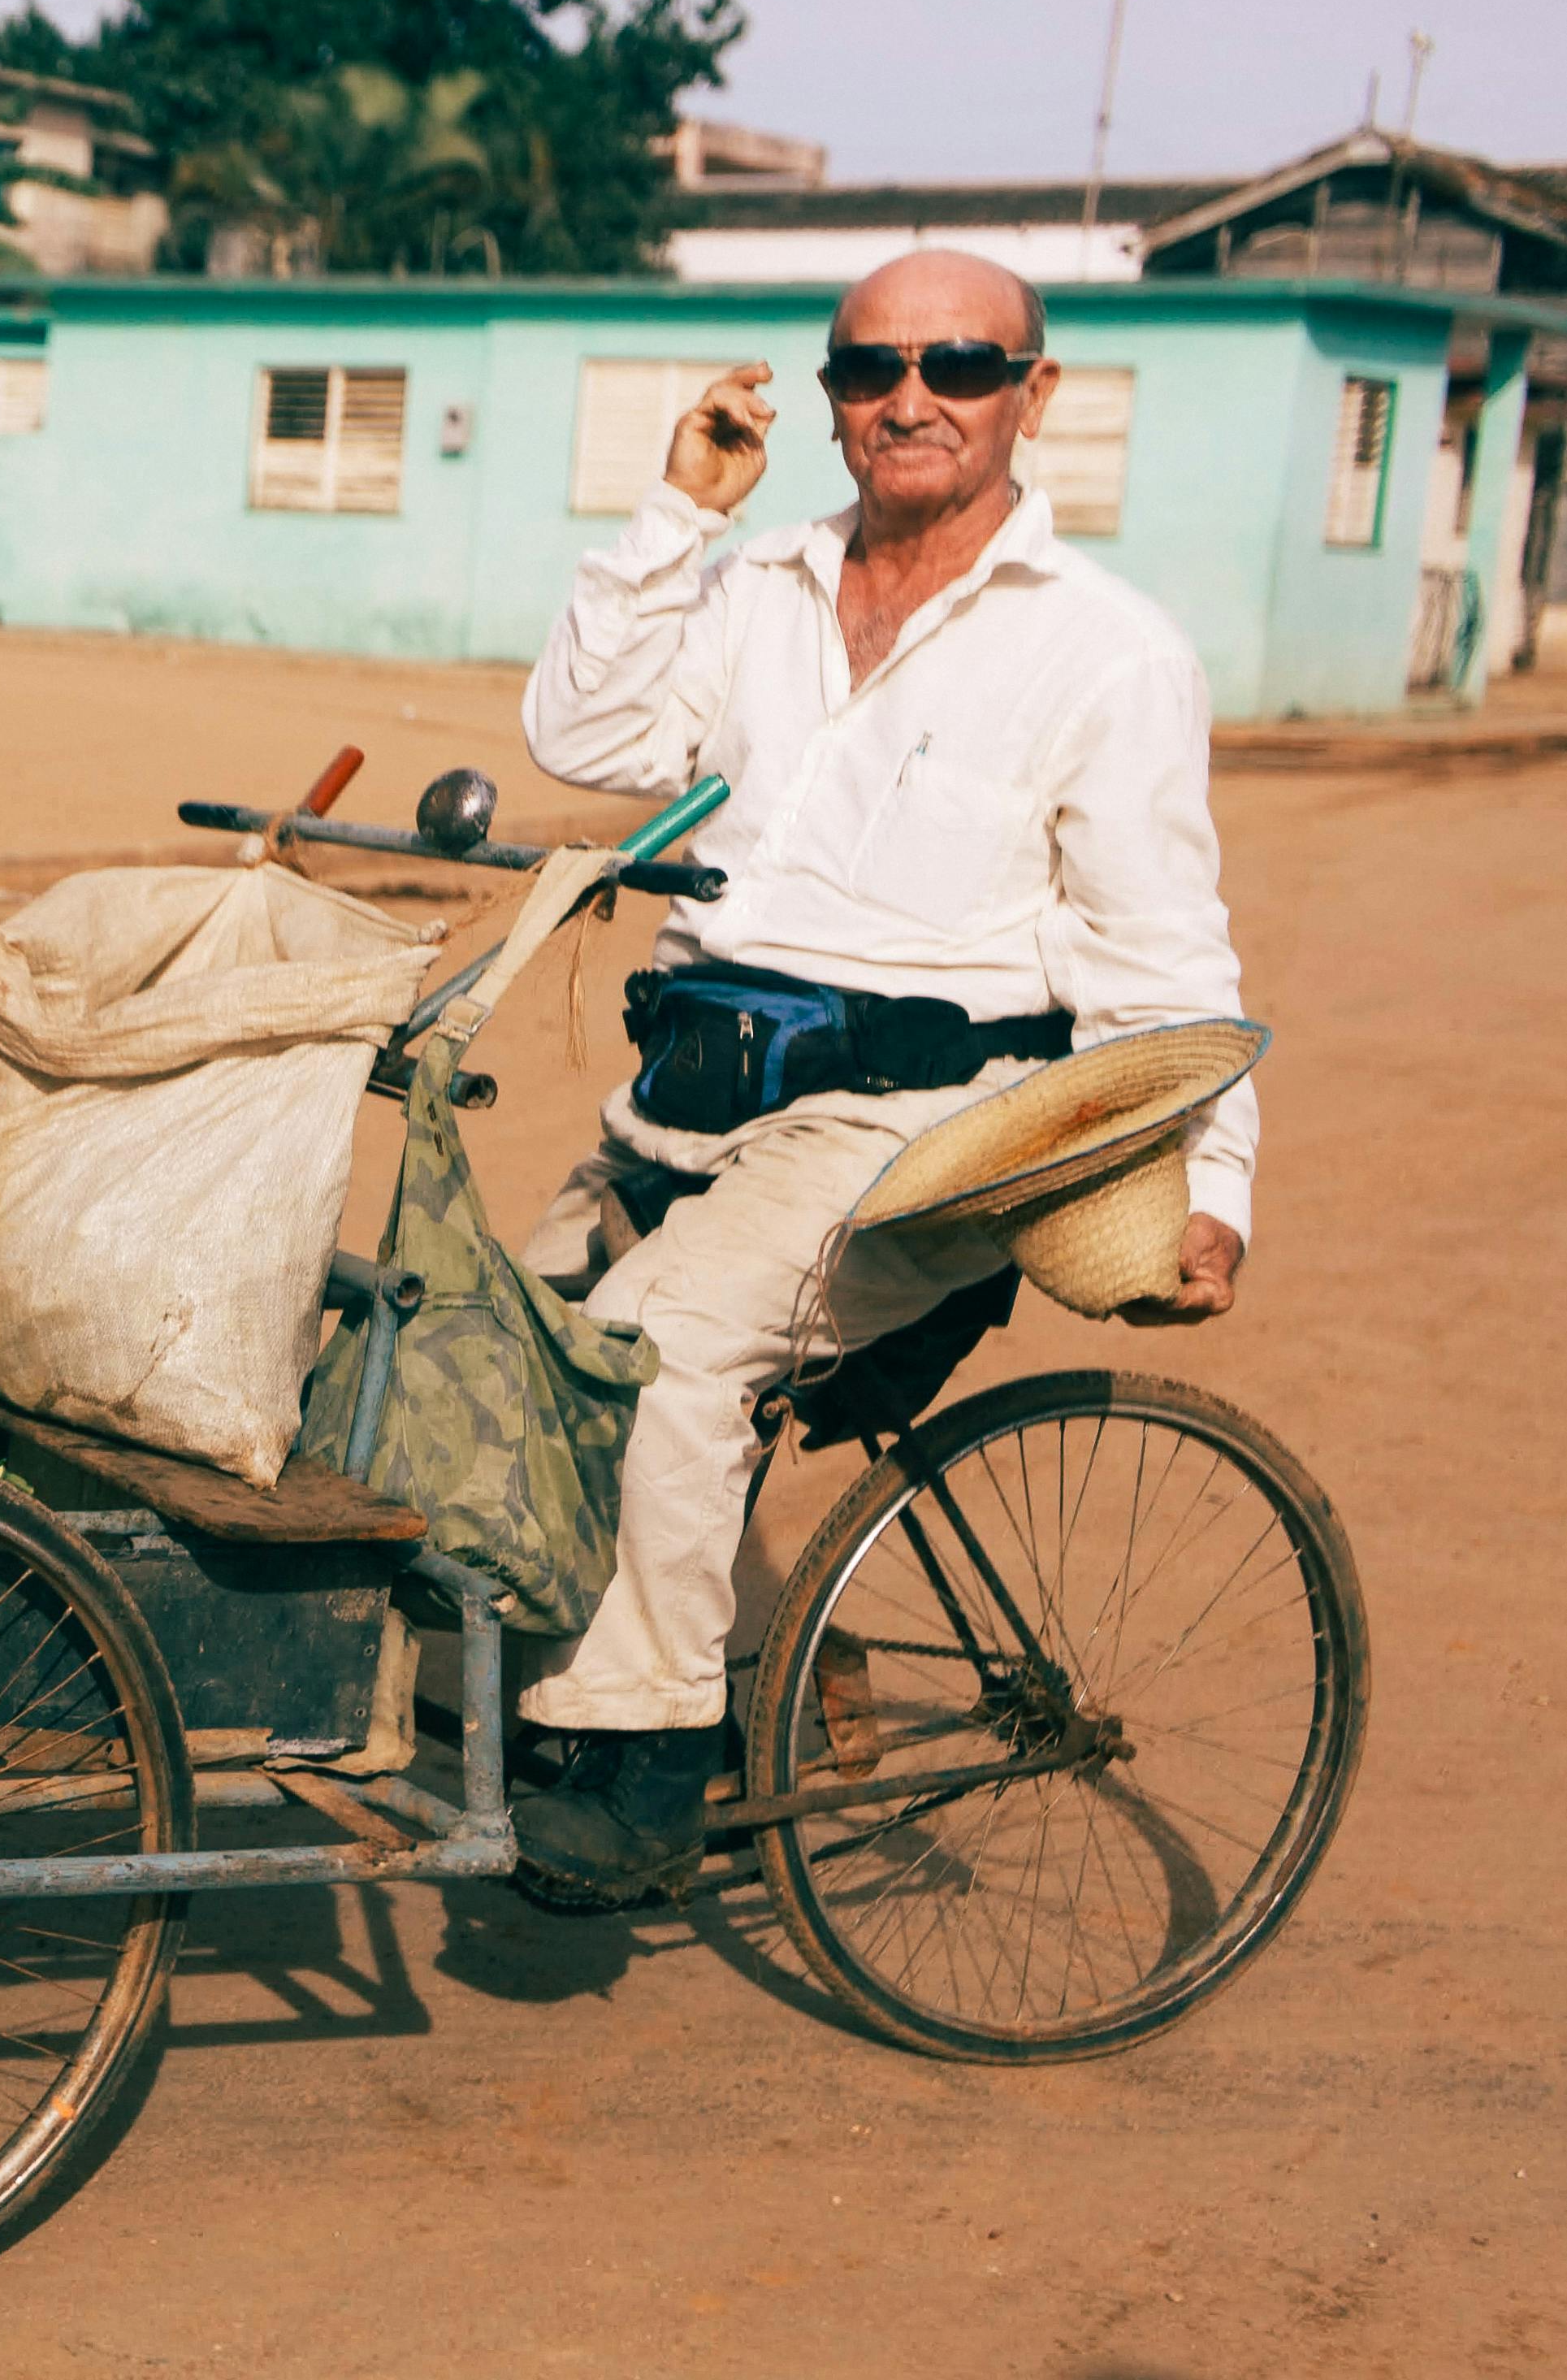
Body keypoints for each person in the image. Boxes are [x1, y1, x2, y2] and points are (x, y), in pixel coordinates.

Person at [505, 247, 1254, 1900]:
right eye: (870, 368)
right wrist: (678, 514)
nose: (911, 396)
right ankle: (736, 1667)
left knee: (651, 1350)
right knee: (477, 1332)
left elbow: (1164, 956)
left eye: (961, 366)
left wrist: (1212, 1186)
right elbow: (579, 738)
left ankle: (639, 1751)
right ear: (832, 396)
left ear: (1029, 396)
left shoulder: (1106, 655)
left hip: (919, 1126)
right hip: (695, 1098)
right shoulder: (757, 586)